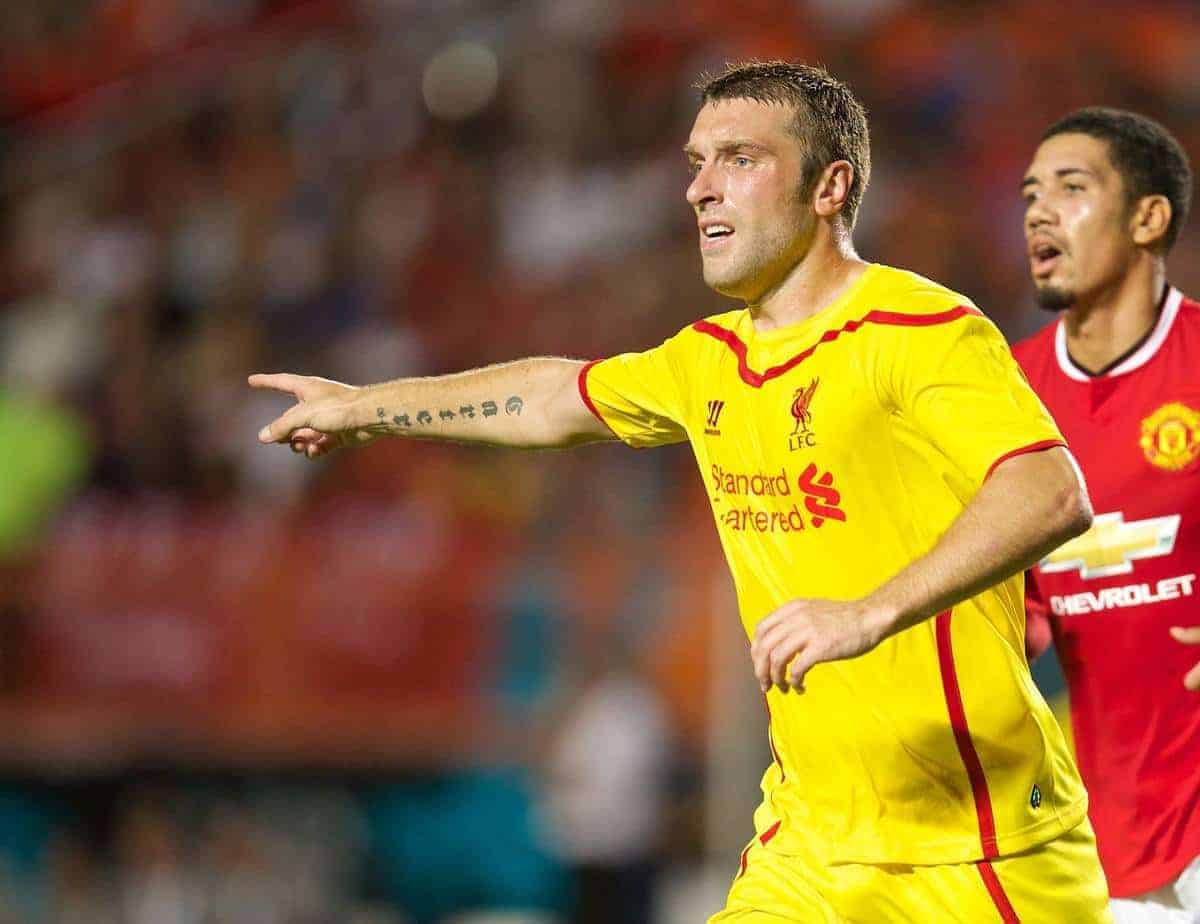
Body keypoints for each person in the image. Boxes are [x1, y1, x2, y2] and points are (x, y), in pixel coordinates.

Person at [252, 62, 1110, 921]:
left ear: (830, 186)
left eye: (738, 159)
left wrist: (868, 612)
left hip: (982, 849)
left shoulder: (922, 331)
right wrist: (368, 408)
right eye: (696, 163)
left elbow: (1050, 489)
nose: (700, 188)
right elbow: (553, 397)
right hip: (808, 843)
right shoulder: (709, 360)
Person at [1013, 107, 1200, 922]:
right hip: (1105, 838)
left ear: (1149, 217)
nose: (1038, 211)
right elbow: (1009, 621)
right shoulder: (1004, 397)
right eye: (1029, 194)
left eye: (1071, 187)